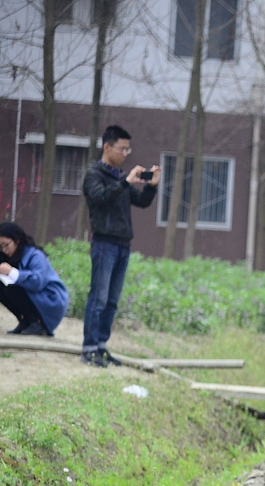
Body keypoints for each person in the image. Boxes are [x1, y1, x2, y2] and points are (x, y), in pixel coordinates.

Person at [81, 124, 160, 368]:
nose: (126, 153)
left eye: (128, 149)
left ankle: (102, 347)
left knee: (112, 301)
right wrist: (125, 181)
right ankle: (89, 348)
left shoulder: (119, 177)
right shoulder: (94, 174)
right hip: (104, 244)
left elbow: (142, 202)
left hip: (123, 245)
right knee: (99, 298)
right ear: (107, 147)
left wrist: (152, 185)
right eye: (122, 149)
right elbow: (100, 198)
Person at [0, 222, 68, 337]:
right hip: (37, 296)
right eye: (0, 247)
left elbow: (36, 283)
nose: (4, 250)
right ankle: (25, 321)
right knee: (0, 288)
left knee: (12, 288)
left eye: (6, 245)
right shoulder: (11, 256)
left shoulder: (36, 255)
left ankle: (37, 322)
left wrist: (11, 272)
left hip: (50, 299)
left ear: (17, 240)